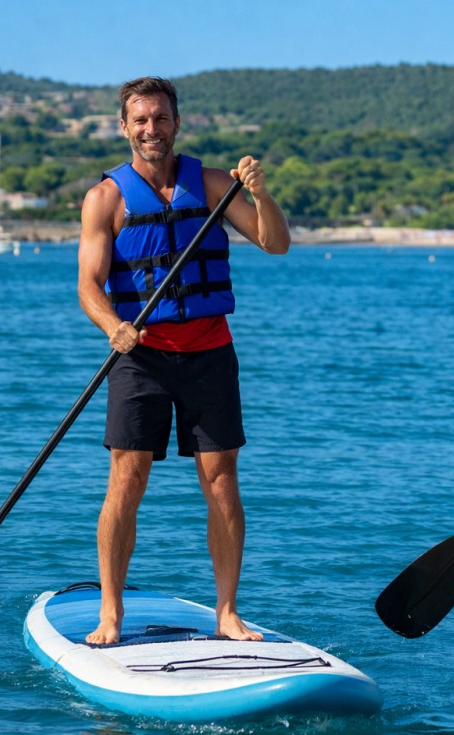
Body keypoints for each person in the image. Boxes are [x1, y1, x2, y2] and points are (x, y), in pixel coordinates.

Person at [77, 76, 291, 645]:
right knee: (127, 478)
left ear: (177, 122)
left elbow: (275, 243)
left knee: (222, 481)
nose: (152, 129)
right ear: (124, 127)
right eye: (140, 120)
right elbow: (88, 286)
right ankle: (110, 614)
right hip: (140, 357)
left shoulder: (215, 185)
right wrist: (111, 325)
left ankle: (226, 612)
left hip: (210, 354)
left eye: (161, 118)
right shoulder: (105, 199)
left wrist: (260, 195)